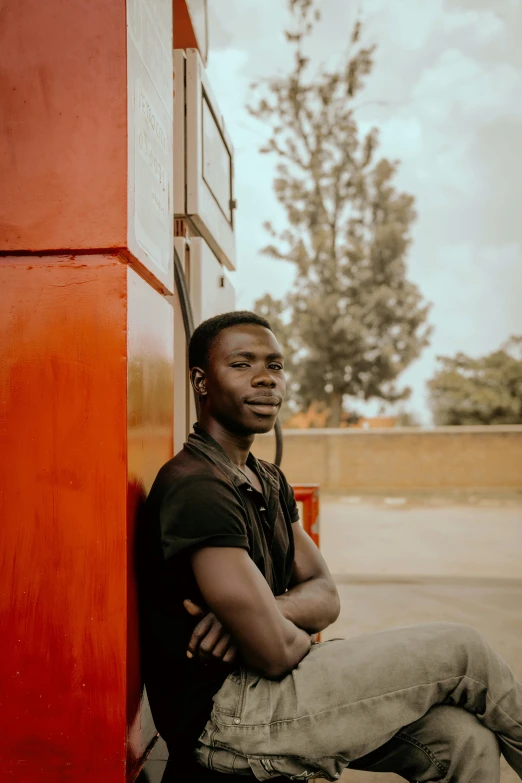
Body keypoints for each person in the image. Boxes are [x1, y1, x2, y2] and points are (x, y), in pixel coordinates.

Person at [138, 311, 522, 782]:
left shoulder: (268, 479)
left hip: (271, 691)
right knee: (466, 652)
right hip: (228, 716)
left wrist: (264, 611)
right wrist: (263, 629)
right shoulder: (196, 486)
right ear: (201, 381)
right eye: (242, 365)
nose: (265, 379)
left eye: (275, 366)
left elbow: (326, 595)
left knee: (461, 739)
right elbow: (277, 652)